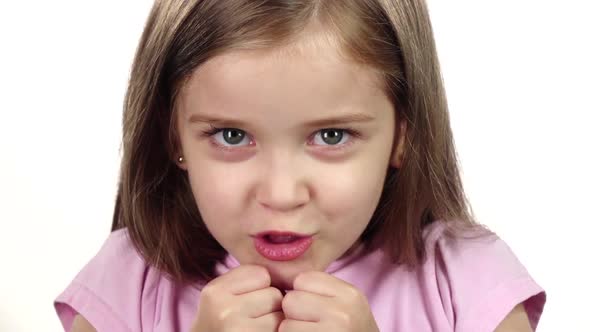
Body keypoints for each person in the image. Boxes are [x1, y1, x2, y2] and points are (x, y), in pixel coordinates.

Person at [54, 0, 546, 331]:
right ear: (173, 137)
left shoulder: (466, 281)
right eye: (232, 136)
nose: (282, 193)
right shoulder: (127, 283)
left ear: (402, 135)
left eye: (331, 136)